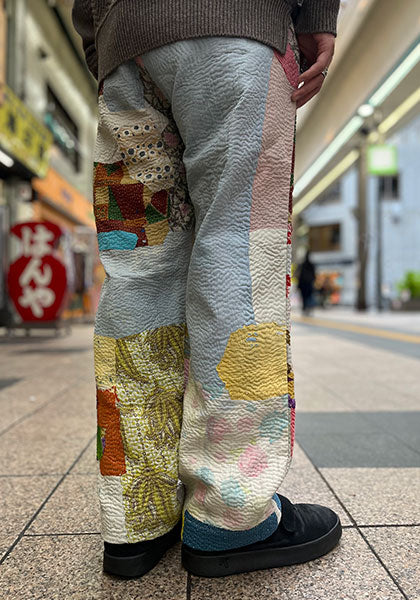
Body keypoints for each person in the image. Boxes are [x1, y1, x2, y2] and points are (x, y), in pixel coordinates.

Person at [73, 0, 341, 579]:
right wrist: (319, 14)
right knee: (238, 253)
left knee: (138, 274)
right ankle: (231, 515)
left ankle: (136, 516)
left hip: (124, 49)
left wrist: (106, 44)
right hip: (236, 28)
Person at [297, 250, 317, 315]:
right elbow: (314, 276)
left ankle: (305, 308)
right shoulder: (311, 265)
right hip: (309, 284)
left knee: (304, 297)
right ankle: (309, 307)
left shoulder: (302, 265)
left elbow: (299, 276)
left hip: (303, 284)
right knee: (309, 296)